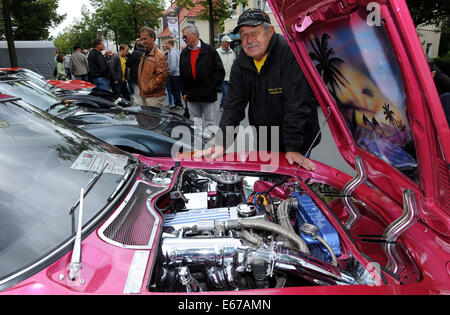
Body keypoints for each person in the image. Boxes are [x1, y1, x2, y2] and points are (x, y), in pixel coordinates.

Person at [195, 8, 320, 171]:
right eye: (244, 34)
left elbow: (298, 104)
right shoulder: (240, 64)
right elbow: (233, 106)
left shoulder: (289, 53)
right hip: (265, 140)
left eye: (255, 32)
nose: (249, 40)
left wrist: (292, 147)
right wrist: (221, 143)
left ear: (270, 31)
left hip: (298, 141)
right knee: (267, 187)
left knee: (293, 191)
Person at [179, 24, 225, 138]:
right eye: (183, 37)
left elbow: (219, 71)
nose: (183, 39)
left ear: (194, 35)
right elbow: (182, 75)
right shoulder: (184, 53)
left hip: (207, 93)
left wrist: (213, 87)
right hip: (192, 94)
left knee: (210, 122)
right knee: (195, 123)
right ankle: (197, 145)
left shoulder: (209, 50)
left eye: (185, 37)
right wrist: (184, 92)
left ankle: (211, 148)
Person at [138, 26, 168, 108]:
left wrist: (149, 88)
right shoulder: (145, 54)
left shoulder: (159, 55)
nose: (143, 41)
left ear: (153, 38)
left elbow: (162, 76)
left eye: (145, 39)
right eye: (142, 39)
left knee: (153, 120)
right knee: (145, 120)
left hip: (154, 96)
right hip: (145, 94)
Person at [216, 35, 236, 112]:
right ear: (223, 42)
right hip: (221, 77)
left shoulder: (232, 51)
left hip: (230, 76)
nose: (229, 44)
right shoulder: (217, 52)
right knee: (226, 92)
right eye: (227, 42)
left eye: (229, 42)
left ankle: (222, 105)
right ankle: (224, 106)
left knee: (227, 93)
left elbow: (234, 63)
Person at [126, 40, 145, 105]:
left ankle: (139, 109)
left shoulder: (135, 53)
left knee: (137, 93)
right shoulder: (147, 53)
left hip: (136, 76)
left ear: (137, 46)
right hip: (146, 77)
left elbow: (128, 63)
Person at [167, 40, 183, 110]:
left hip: (175, 74)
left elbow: (173, 64)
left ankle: (179, 104)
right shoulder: (173, 51)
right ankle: (177, 104)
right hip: (176, 73)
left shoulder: (173, 52)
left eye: (166, 43)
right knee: (174, 90)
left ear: (170, 44)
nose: (165, 45)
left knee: (175, 90)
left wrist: (170, 72)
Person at [163, 42, 174, 107]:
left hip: (168, 72)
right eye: (163, 46)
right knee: (167, 88)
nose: (164, 47)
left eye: (165, 46)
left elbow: (168, 62)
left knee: (170, 88)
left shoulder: (168, 53)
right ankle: (170, 102)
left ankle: (171, 102)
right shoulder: (164, 53)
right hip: (165, 72)